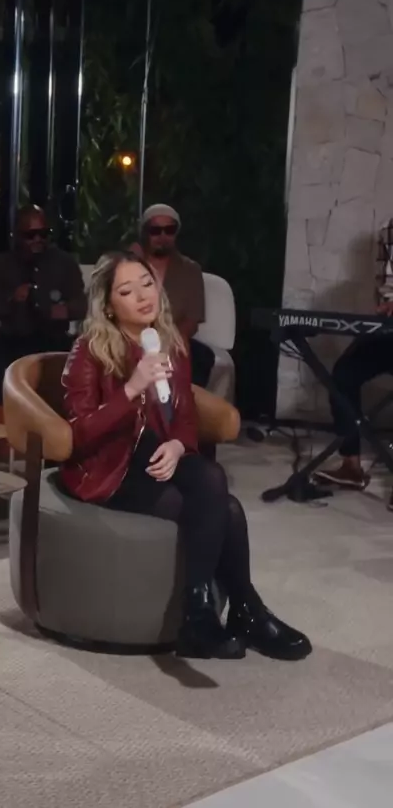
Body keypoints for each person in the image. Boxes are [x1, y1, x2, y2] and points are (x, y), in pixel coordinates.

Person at [60, 250, 312, 661]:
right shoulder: (89, 351)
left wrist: (178, 445)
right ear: (108, 305)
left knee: (213, 482)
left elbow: (185, 417)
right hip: (110, 469)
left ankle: (206, 616)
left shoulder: (171, 343)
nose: (143, 295)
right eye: (127, 291)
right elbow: (79, 434)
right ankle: (238, 613)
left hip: (158, 458)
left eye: (147, 284)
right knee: (225, 507)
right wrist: (132, 388)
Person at [315, 219, 393, 507]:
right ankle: (351, 466)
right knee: (343, 375)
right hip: (388, 330)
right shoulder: (389, 230)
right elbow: (385, 285)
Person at [0, 205, 86, 405]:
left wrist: (65, 310)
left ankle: (75, 415)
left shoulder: (64, 262)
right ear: (17, 235)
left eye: (43, 234)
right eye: (30, 235)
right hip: (13, 337)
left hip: (53, 337)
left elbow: (82, 303)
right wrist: (12, 299)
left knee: (81, 353)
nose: (38, 240)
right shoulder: (1, 265)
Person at [131, 204, 215, 388]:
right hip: (131, 336)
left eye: (169, 230)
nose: (163, 237)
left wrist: (171, 340)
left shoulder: (190, 270)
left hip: (171, 337)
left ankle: (184, 403)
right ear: (144, 233)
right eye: (155, 231)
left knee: (203, 357)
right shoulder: (128, 265)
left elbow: (192, 320)